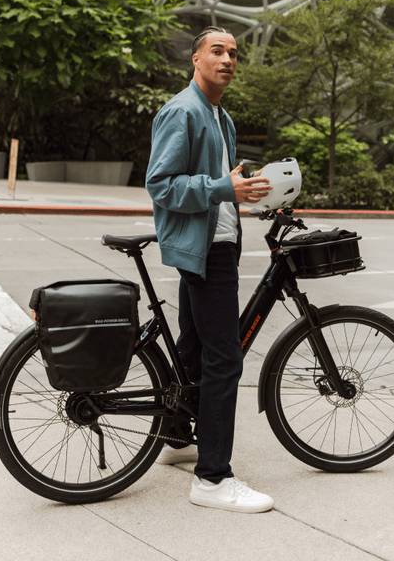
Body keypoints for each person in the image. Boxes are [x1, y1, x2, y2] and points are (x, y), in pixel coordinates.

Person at [146, 27, 275, 514]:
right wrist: (224, 189)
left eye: (234, 53)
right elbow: (161, 185)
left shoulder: (221, 116)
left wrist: (251, 192)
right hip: (204, 250)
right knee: (226, 360)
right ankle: (213, 478)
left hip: (216, 245)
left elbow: (225, 184)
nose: (227, 59)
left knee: (194, 350)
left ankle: (178, 436)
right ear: (196, 57)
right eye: (217, 51)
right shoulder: (183, 110)